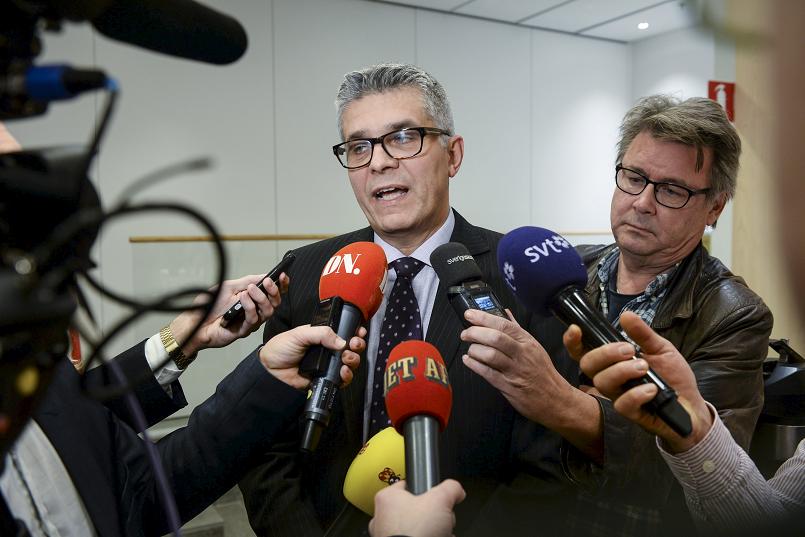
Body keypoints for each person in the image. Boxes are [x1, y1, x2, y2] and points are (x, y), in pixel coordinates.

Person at [238, 63, 553, 536]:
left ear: (453, 155)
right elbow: (267, 448)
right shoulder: (306, 272)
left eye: (404, 137)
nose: (379, 162)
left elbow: (544, 463)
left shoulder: (519, 278)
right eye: (358, 146)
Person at [461, 95, 772, 534]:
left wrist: (563, 404)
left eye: (671, 190)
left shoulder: (735, 315)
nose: (643, 202)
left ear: (715, 207)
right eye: (634, 177)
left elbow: (699, 475)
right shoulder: (563, 270)